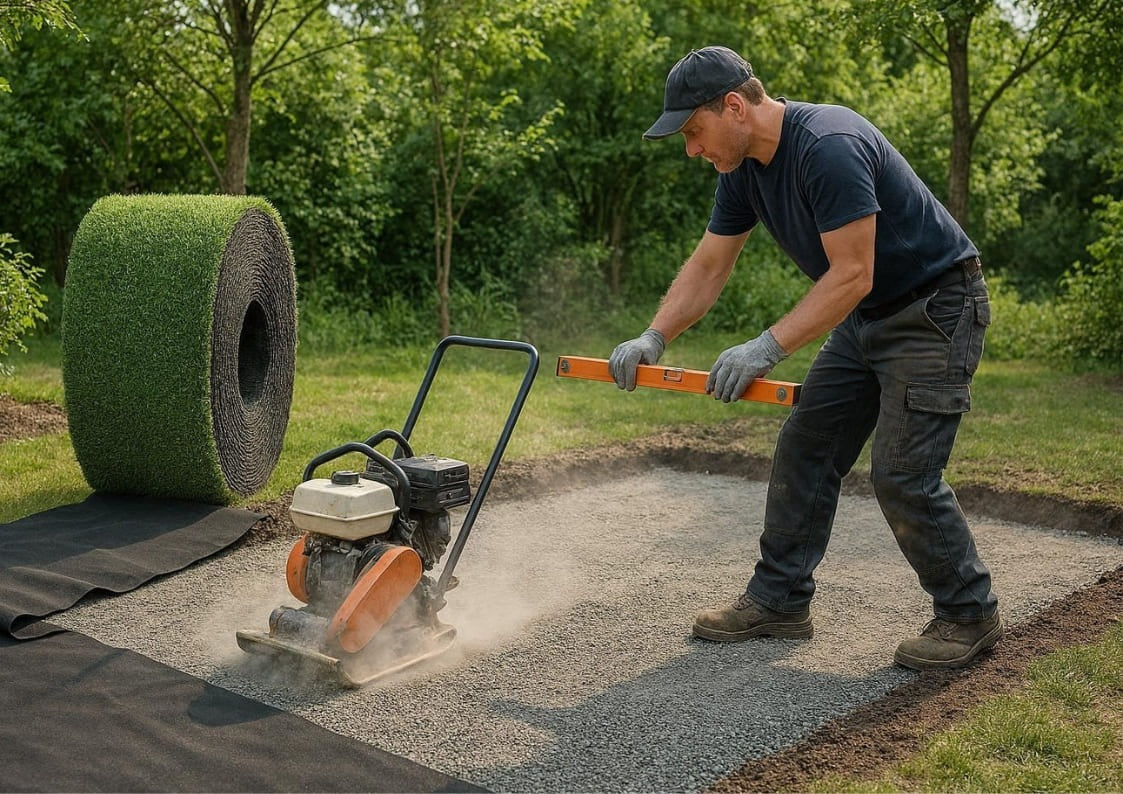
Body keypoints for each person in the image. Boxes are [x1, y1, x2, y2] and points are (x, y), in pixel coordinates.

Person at [609, 45, 1002, 670]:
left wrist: (766, 347)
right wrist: (655, 335)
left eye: (693, 131)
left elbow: (852, 273)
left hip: (934, 310)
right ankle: (781, 600)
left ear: (733, 106)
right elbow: (710, 265)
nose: (691, 149)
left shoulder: (829, 144)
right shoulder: (740, 170)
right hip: (866, 316)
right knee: (807, 447)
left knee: (901, 472)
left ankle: (967, 613)